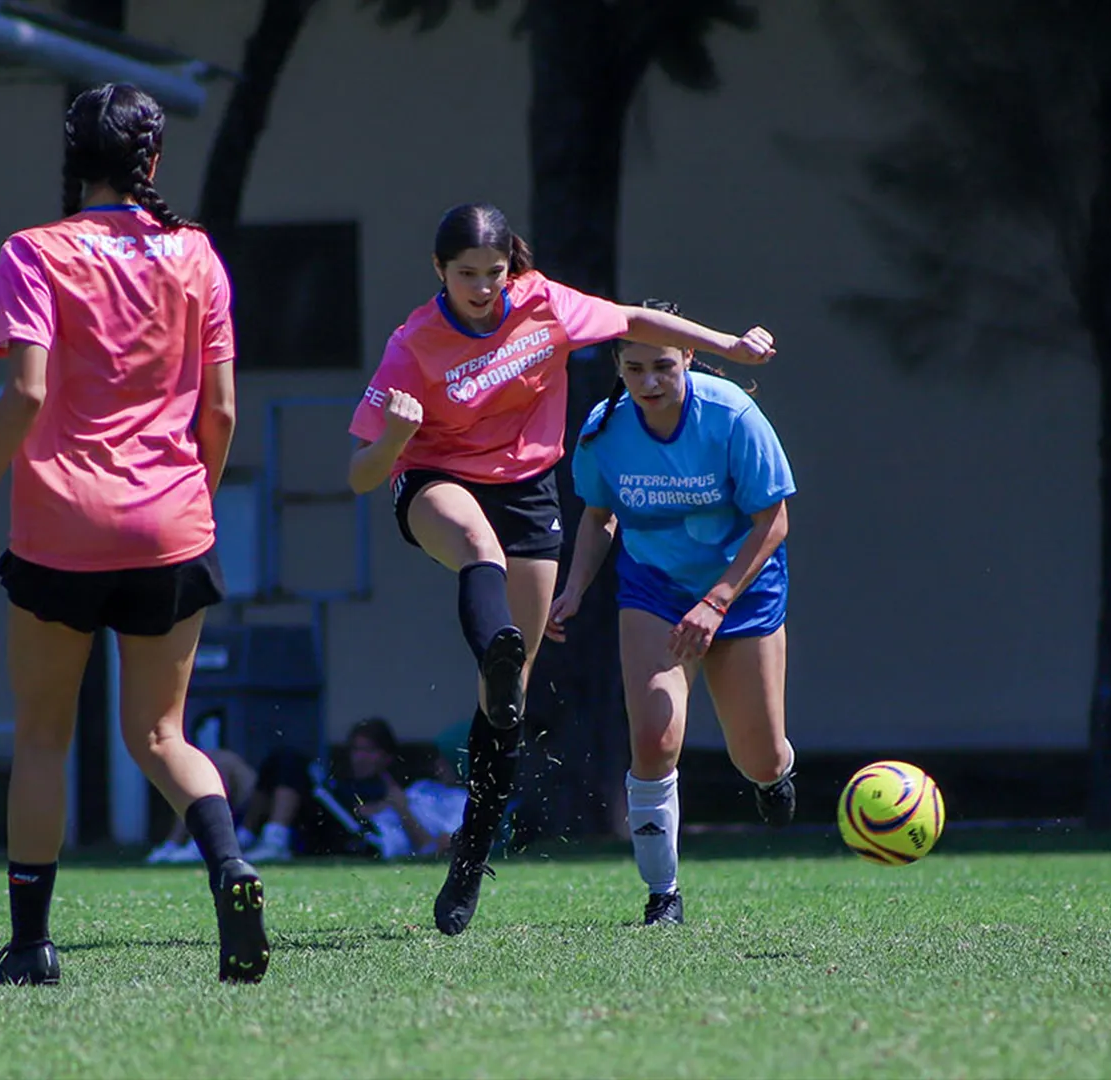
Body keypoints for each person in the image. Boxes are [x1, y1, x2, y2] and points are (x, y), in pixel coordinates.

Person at [346, 203, 777, 935]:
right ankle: (495, 649)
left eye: (493, 272)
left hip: (526, 490)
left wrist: (725, 344)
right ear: (438, 272)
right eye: (466, 276)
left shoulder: (544, 302)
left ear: (510, 266)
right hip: (434, 481)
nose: (483, 288)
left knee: (505, 704)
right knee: (477, 552)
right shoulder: (413, 343)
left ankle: (470, 856)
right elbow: (360, 474)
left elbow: (637, 322)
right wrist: (394, 437)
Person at [0, 83, 267, 986]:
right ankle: (228, 864)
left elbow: (28, 393)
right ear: (153, 162)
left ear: (75, 160)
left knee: (42, 737)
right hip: (172, 527)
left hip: (59, 531)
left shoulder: (32, 253)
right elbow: (222, 412)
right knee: (160, 736)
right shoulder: (197, 255)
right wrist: (189, 502)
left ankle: (32, 946)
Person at [548, 300, 798, 927]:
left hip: (738, 589)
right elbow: (599, 517)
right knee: (655, 739)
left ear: (689, 356)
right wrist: (573, 588)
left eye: (663, 366)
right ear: (618, 366)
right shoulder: (604, 429)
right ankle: (664, 893)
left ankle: (775, 777)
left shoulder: (732, 415)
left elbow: (775, 521)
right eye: (634, 369)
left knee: (758, 757)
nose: (649, 382)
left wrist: (716, 602)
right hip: (653, 588)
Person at [238, 718, 463, 862]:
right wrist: (382, 806)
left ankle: (273, 840)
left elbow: (433, 849)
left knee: (291, 763)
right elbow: (394, 802)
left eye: (444, 760)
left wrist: (403, 809)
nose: (437, 766)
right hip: (356, 823)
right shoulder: (425, 787)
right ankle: (243, 840)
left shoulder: (461, 802)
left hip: (371, 840)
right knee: (278, 762)